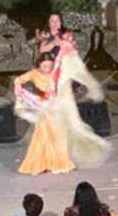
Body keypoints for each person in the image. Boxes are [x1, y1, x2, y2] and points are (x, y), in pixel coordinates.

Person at [14, 32, 109, 175]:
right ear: (39, 65)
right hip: (43, 108)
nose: (47, 69)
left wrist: (65, 49)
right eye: (44, 66)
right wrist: (18, 87)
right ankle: (38, 164)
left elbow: (59, 61)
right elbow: (19, 80)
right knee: (42, 137)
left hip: (54, 108)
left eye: (49, 66)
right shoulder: (34, 74)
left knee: (57, 136)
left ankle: (58, 163)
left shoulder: (54, 73)